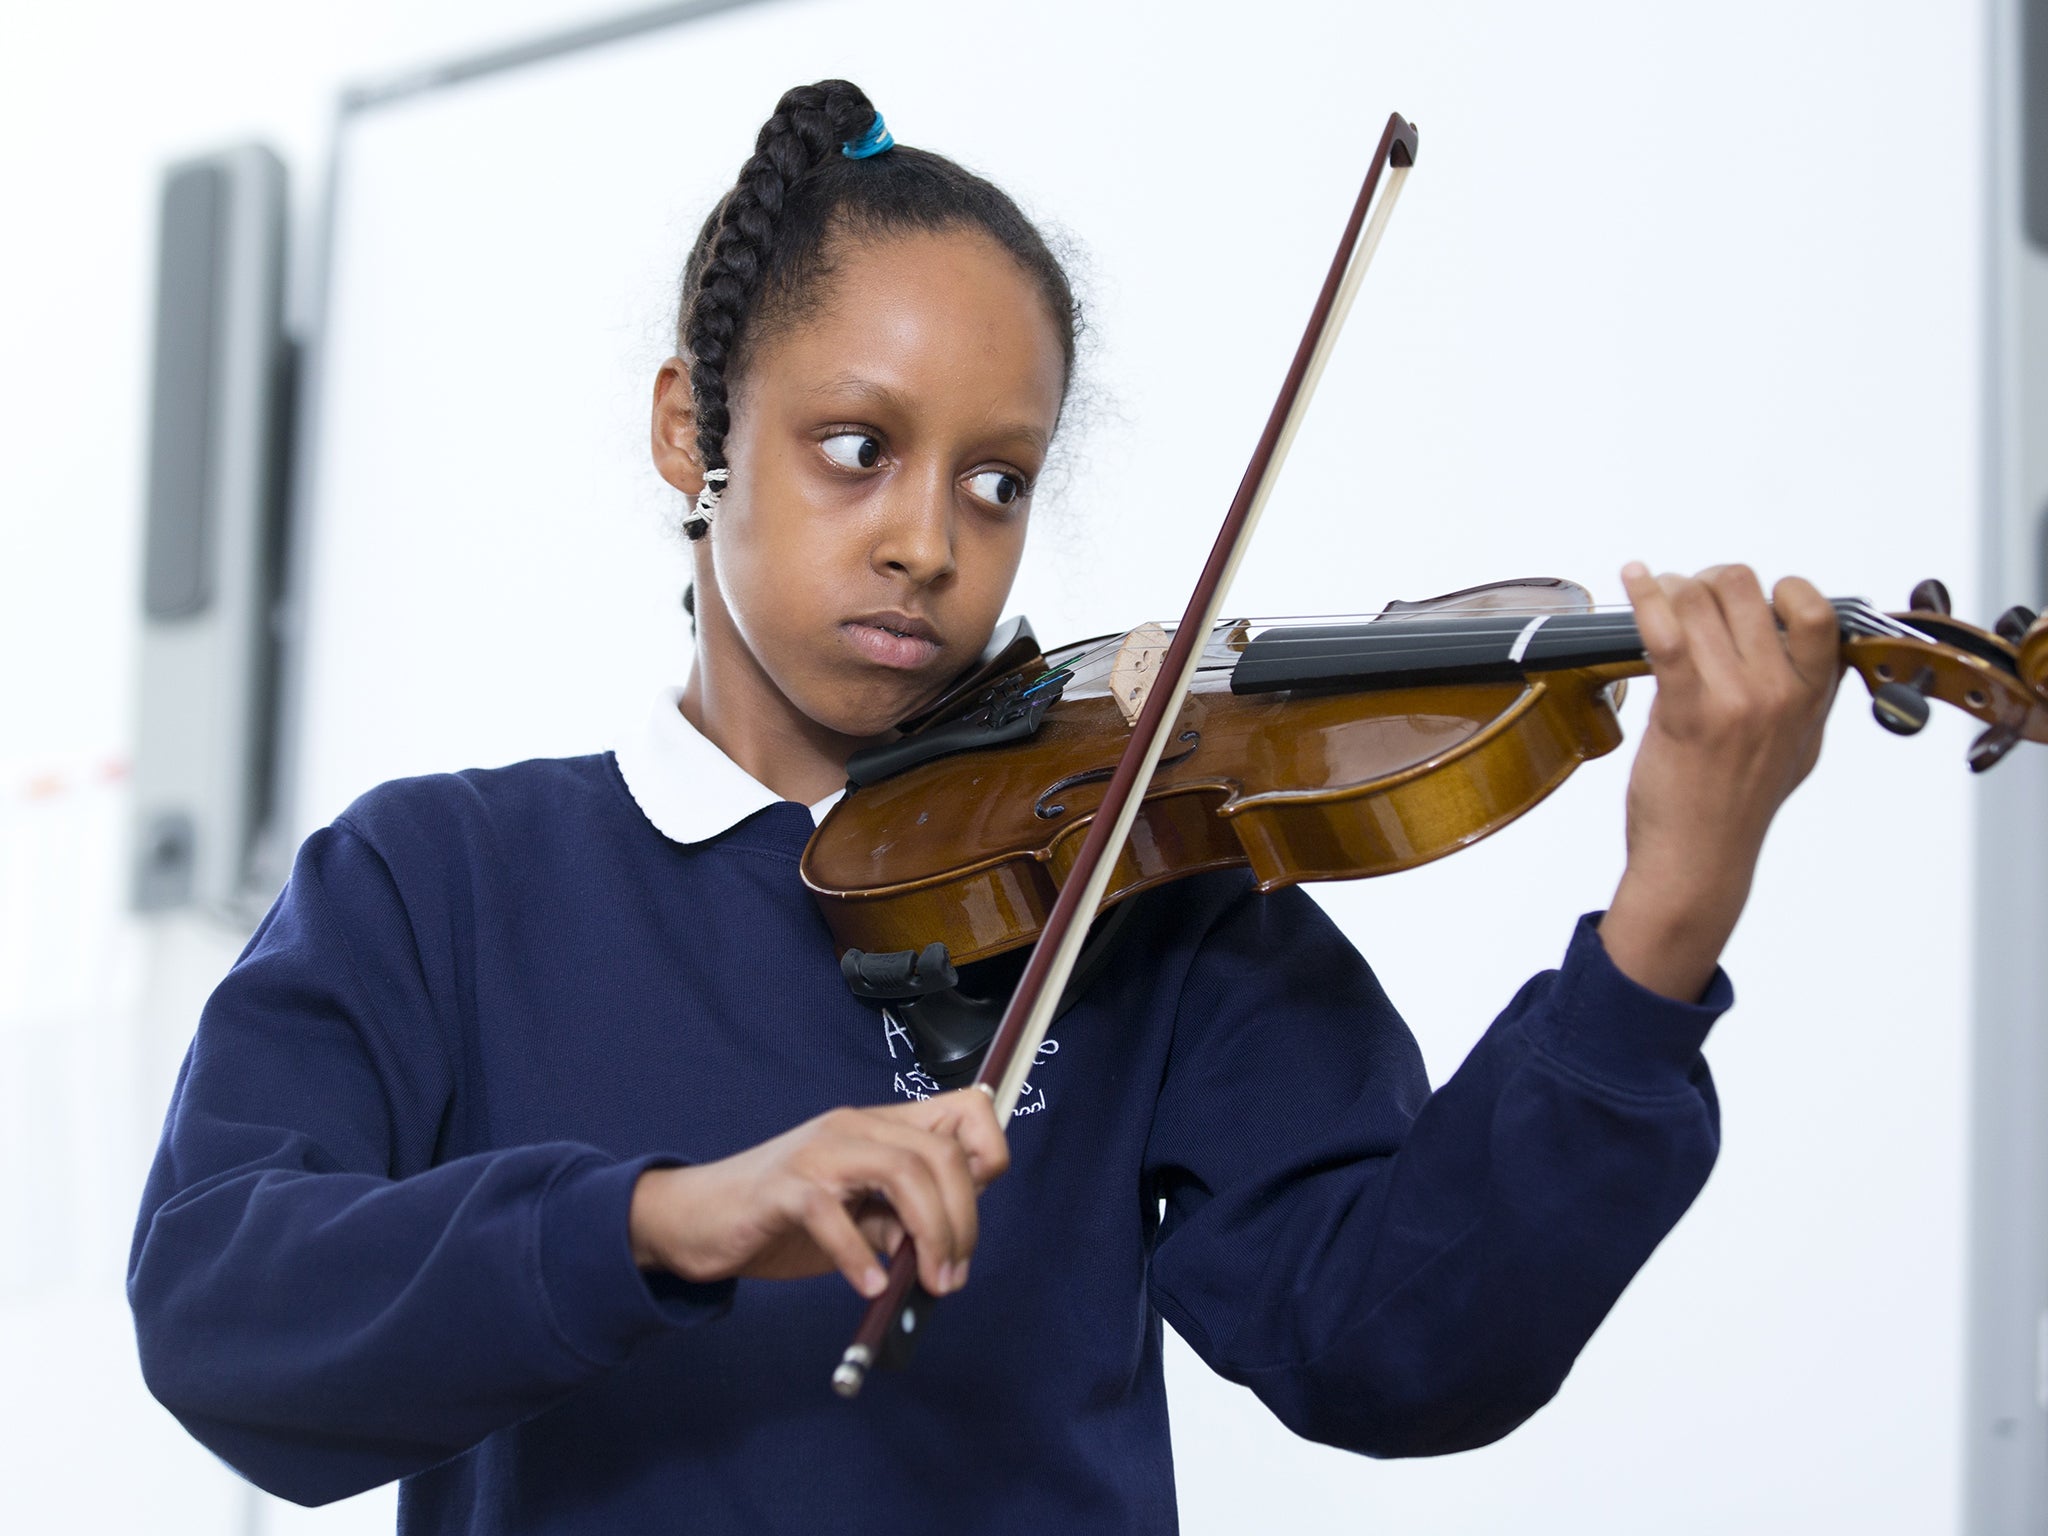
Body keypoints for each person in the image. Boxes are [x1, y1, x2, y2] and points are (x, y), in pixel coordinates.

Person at [128, 79, 1841, 1533]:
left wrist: (1660, 938)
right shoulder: (441, 883)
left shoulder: (1133, 881)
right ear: (691, 430)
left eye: (997, 479)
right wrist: (674, 1214)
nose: (929, 541)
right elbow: (223, 1311)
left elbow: (1396, 1348)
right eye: (856, 446)